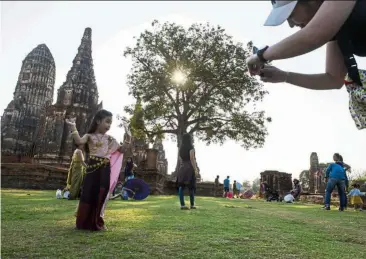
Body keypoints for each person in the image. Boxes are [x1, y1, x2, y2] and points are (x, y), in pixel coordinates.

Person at [247, 1, 366, 130]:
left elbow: (314, 35)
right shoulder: (335, 30)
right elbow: (333, 79)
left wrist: (261, 56)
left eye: (291, 15)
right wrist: (284, 76)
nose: (291, 24)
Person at [65, 109, 131, 231]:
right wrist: (73, 127)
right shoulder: (89, 136)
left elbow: (122, 150)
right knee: (88, 193)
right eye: (107, 122)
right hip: (92, 168)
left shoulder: (110, 139)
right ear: (98, 121)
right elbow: (79, 141)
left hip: (105, 169)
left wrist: (128, 135)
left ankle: (97, 221)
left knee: (102, 194)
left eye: (110, 123)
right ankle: (83, 222)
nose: (109, 125)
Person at [176, 133, 199, 210]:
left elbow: (180, 158)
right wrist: (195, 169)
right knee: (191, 186)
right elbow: (192, 158)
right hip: (189, 167)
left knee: (181, 186)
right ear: (190, 139)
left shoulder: (181, 148)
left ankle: (182, 205)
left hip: (182, 167)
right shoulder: (191, 147)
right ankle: (192, 205)